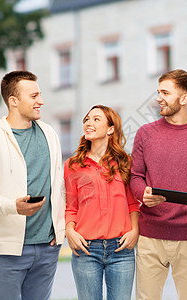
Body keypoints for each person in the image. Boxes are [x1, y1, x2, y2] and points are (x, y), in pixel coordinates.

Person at [0, 70, 65, 300]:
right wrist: (12, 206)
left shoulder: (50, 134)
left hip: (47, 246)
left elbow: (58, 184)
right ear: (14, 101)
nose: (40, 101)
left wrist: (59, 229)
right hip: (8, 249)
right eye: (34, 96)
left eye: (39, 94)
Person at [130, 69, 187, 300]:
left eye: (165, 93)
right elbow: (136, 176)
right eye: (158, 92)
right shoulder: (144, 133)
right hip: (150, 236)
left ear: (184, 98)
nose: (159, 97)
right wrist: (144, 193)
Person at [64, 105, 140, 300]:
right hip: (86, 249)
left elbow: (133, 204)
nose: (89, 123)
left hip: (121, 249)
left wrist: (134, 231)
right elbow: (71, 206)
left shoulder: (125, 163)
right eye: (87, 119)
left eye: (96, 119)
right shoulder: (73, 165)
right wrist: (70, 231)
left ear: (110, 129)